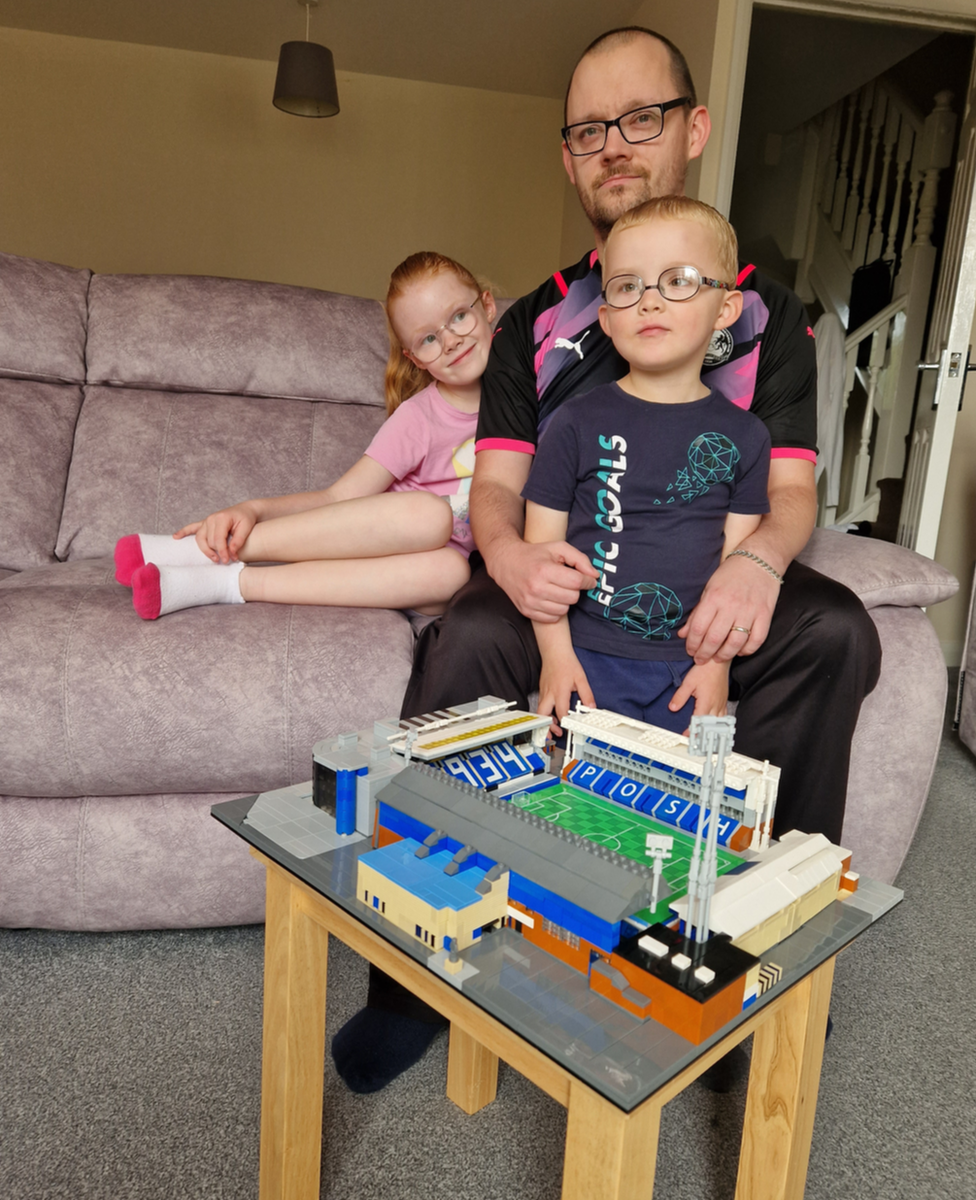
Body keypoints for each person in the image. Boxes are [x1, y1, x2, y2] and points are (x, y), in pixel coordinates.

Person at [332, 25, 881, 1097]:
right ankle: (415, 983)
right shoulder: (533, 319)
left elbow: (788, 493)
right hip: (569, 567)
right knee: (467, 635)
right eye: (588, 129)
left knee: (835, 631)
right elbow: (495, 488)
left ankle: (739, 972)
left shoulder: (768, 316)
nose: (613, 145)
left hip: (711, 555)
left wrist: (758, 567)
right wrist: (504, 558)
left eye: (640, 118)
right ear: (568, 154)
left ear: (693, 127)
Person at [113, 252, 495, 620]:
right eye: (428, 339)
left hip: (419, 573)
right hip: (375, 542)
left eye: (459, 316)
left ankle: (230, 583)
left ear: (488, 306)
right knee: (430, 515)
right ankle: (206, 552)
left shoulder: (533, 403)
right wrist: (253, 510)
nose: (450, 341)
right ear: (413, 357)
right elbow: (339, 497)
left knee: (452, 572)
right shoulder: (420, 416)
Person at [525, 196, 770, 737]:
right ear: (607, 320)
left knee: (678, 815)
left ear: (726, 309)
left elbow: (736, 571)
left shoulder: (748, 437)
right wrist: (556, 658)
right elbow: (544, 559)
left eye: (678, 280)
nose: (650, 302)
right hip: (588, 659)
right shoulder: (573, 422)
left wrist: (716, 666)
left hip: (690, 667)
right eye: (629, 286)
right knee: (576, 812)